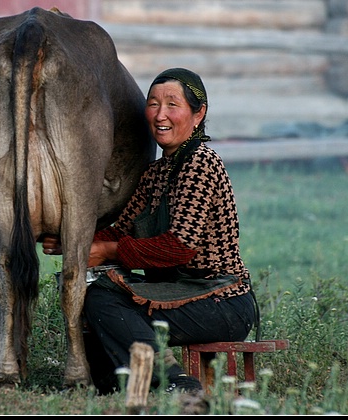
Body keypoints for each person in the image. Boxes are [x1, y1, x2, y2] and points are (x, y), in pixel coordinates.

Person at [41, 68, 257, 395]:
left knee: (103, 299)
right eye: (153, 104)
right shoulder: (154, 174)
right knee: (95, 292)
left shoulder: (201, 163)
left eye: (172, 105)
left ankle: (178, 385)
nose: (160, 115)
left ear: (199, 114)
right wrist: (72, 240)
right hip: (176, 293)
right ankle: (110, 385)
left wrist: (109, 252)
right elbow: (120, 229)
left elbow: (179, 248)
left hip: (221, 300)